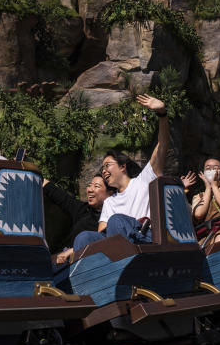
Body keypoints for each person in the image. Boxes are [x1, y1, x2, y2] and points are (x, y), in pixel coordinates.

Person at [70, 94, 170, 252]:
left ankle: (123, 266)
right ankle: (92, 274)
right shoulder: (109, 202)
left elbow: (162, 145)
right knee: (84, 237)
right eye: (102, 168)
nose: (103, 171)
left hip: (145, 238)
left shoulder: (143, 180)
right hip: (118, 243)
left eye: (107, 165)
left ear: (123, 166)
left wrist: (162, 114)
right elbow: (102, 234)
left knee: (116, 221)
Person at [48, 175, 114, 264]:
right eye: (90, 185)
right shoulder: (83, 209)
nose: (90, 189)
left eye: (96, 186)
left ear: (110, 193)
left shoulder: (113, 219)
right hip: (60, 260)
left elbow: (104, 242)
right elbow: (55, 192)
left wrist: (71, 251)